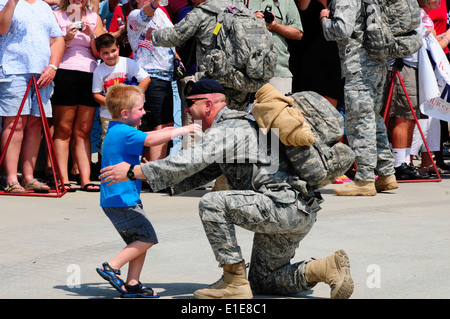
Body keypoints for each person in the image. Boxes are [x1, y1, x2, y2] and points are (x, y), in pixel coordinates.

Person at [99, 79, 354, 299]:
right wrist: (151, 178)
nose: (187, 110)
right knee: (265, 280)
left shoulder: (228, 129)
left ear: (208, 104)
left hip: (281, 208)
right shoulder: (242, 126)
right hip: (297, 210)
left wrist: (133, 171)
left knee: (212, 203)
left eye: (190, 103)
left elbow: (190, 160)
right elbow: (201, 172)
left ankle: (233, 281)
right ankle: (325, 268)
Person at [96, 83, 200, 298]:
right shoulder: (126, 132)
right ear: (125, 113)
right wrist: (184, 129)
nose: (145, 112)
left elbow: (135, 146)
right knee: (147, 238)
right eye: (141, 109)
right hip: (122, 200)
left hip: (119, 198)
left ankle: (133, 284)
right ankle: (112, 267)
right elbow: (151, 139)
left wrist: (138, 159)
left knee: (139, 242)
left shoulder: (116, 129)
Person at [320, 0, 398, 196]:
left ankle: (364, 179)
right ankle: (387, 173)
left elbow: (342, 30)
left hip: (359, 67)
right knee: (373, 119)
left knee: (359, 123)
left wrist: (324, 20)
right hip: (378, 64)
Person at [146, 0, 263, 111]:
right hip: (240, 83)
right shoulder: (241, 9)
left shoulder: (203, 12)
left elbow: (176, 36)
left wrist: (153, 34)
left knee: (202, 127)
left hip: (211, 84)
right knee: (234, 125)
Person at [0, 0, 64, 193]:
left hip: (42, 73)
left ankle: (29, 177)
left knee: (36, 125)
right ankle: (11, 178)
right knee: (15, 123)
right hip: (14, 70)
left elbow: (57, 39)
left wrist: (53, 66)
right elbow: (2, 28)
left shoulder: (44, 7)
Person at [51, 0, 105, 192]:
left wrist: (93, 36)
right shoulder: (57, 16)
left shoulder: (93, 17)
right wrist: (65, 39)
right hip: (64, 72)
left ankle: (85, 178)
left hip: (90, 74)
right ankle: (63, 178)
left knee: (83, 131)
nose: (77, 0)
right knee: (63, 129)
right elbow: (50, 47)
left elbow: (101, 53)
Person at [127, 0, 178, 161]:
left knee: (159, 125)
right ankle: (155, 174)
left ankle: (148, 170)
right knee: (163, 126)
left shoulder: (162, 13)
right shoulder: (135, 15)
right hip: (150, 75)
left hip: (164, 76)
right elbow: (147, 13)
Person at [92, 33, 151, 146]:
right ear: (99, 54)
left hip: (130, 114)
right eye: (105, 53)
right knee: (110, 143)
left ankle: (131, 164)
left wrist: (133, 100)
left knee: (131, 142)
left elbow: (146, 79)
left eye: (113, 51)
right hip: (109, 115)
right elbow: (96, 95)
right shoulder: (98, 71)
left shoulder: (128, 63)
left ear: (118, 48)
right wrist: (115, 105)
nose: (110, 55)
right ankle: (110, 164)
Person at [250, 0, 303, 95]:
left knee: (279, 109)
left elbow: (298, 33)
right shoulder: (243, 1)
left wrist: (276, 27)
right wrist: (250, 19)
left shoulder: (287, 2)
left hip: (277, 71)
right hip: (245, 71)